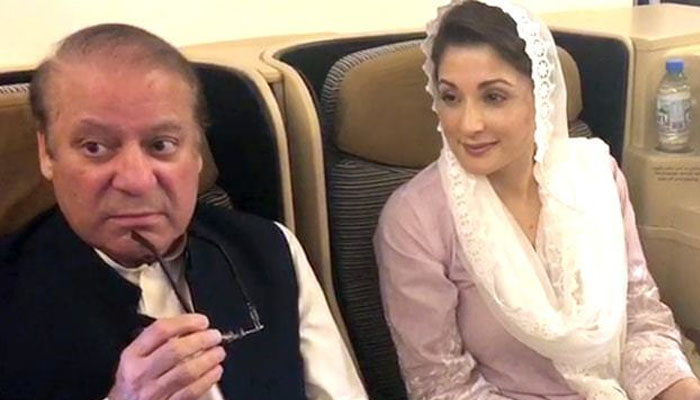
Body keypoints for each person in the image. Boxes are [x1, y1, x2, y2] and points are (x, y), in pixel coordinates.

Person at [0, 23, 367, 400]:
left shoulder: (270, 251)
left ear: (196, 152)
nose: (136, 181)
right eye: (95, 147)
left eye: (161, 144)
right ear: (47, 153)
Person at [374, 1, 700, 399]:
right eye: (451, 97)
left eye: (494, 97)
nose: (468, 124)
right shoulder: (415, 220)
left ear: (541, 96)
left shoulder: (596, 176)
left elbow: (641, 318)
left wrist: (683, 391)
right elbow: (442, 385)